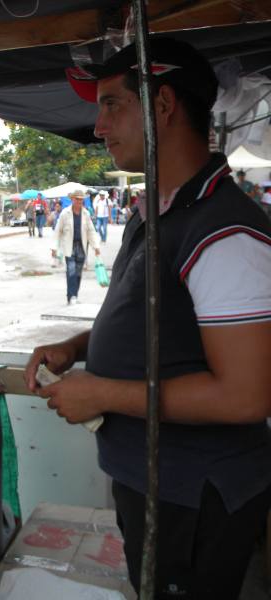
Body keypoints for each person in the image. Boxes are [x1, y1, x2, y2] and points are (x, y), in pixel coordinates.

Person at [29, 38, 271, 600]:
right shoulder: (163, 210)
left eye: (111, 103)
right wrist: (79, 344)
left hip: (196, 493)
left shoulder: (224, 231)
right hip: (158, 481)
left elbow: (247, 395)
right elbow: (162, 320)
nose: (97, 126)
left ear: (162, 105)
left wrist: (105, 394)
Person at [52, 189, 100, 304]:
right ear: (72, 199)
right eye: (77, 199)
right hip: (69, 246)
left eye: (81, 199)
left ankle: (73, 295)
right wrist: (54, 247)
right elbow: (58, 231)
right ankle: (72, 296)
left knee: (78, 273)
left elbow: (91, 231)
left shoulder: (86, 213)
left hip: (82, 247)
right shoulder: (65, 213)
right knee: (71, 271)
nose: (79, 201)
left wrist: (96, 247)